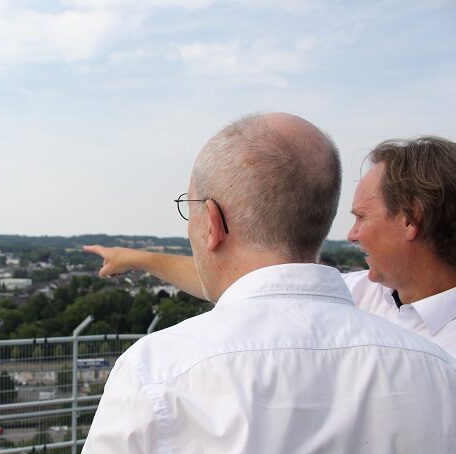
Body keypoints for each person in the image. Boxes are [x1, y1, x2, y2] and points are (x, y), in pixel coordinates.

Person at [57, 113, 456, 454]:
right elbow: (266, 285)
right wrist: (140, 258)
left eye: (189, 210)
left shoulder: (156, 374)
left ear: (212, 223)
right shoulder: (437, 368)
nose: (354, 234)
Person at [84, 136, 456, 353]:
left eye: (362, 217)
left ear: (411, 219)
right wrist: (138, 258)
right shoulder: (360, 294)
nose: (352, 234)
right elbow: (247, 284)